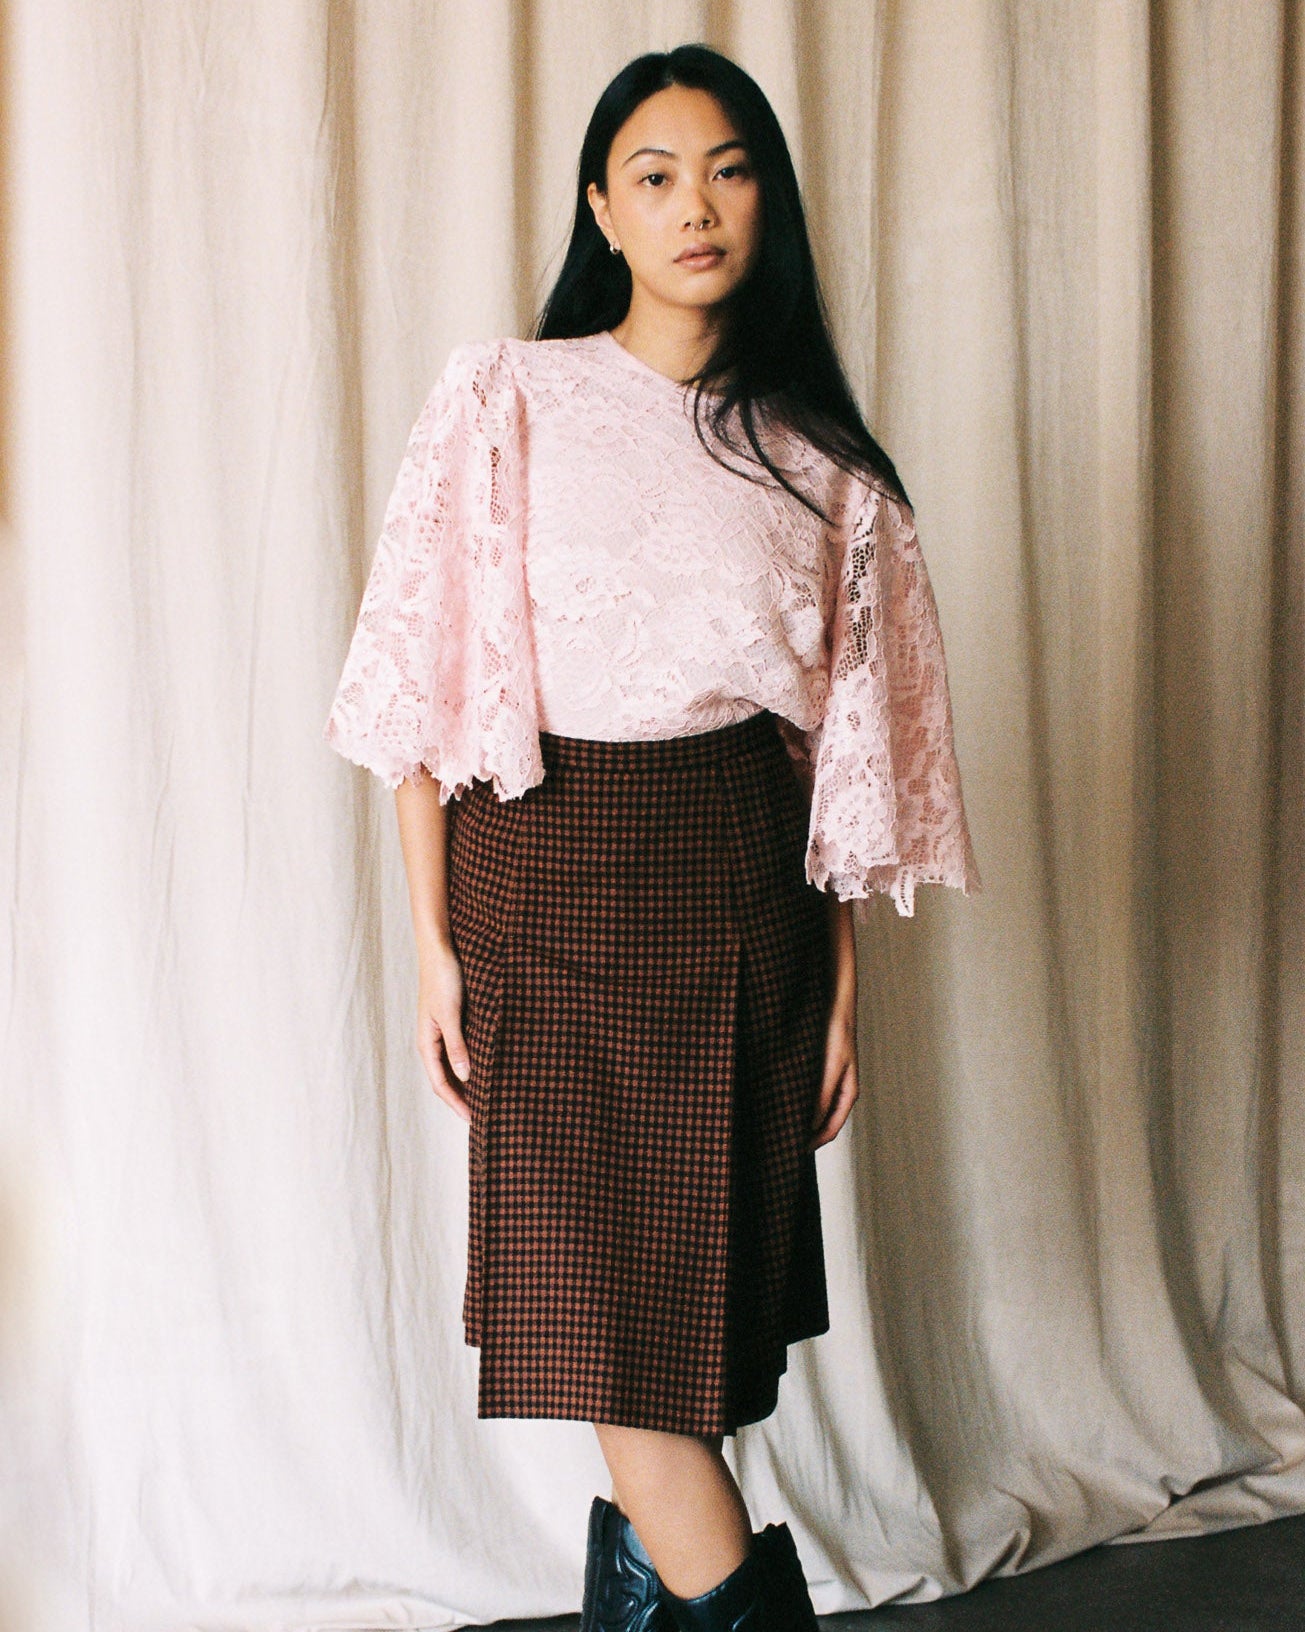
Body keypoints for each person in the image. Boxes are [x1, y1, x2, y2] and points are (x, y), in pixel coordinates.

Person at [324, 42, 978, 1632]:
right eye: (657, 175)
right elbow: (421, 685)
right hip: (539, 882)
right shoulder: (506, 398)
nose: (697, 206)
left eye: (730, 172)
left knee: (685, 1344)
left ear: (770, 204)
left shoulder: (823, 466)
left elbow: (839, 774)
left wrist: (839, 993)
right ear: (601, 210)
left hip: (741, 893)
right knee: (616, 1348)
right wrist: (431, 950)